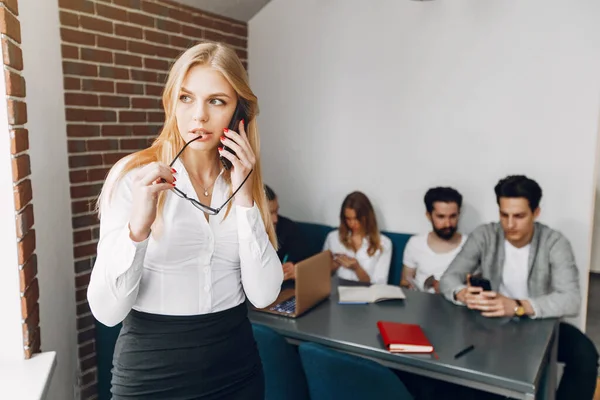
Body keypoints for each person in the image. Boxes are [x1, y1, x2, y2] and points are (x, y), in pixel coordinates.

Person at [87, 42, 283, 399]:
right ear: (172, 103)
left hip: (237, 372)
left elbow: (264, 294)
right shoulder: (133, 176)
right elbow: (107, 311)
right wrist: (137, 231)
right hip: (153, 375)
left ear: (239, 112)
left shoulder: (244, 182)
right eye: (186, 98)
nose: (199, 117)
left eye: (216, 101)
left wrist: (244, 199)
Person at [440, 175, 598, 400]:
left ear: (536, 213)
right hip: (491, 324)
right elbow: (449, 278)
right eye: (504, 215)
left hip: (539, 323)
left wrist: (517, 306)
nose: (510, 224)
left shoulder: (554, 242)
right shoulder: (485, 235)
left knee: (585, 354)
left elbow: (571, 300)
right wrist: (461, 293)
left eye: (519, 216)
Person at [401, 187, 466, 293]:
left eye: (453, 216)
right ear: (428, 215)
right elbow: (405, 281)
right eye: (441, 217)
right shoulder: (415, 243)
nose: (448, 224)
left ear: (459, 214)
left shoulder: (471, 245)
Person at [323, 191, 392, 284]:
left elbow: (379, 285)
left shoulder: (383, 243)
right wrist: (333, 266)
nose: (352, 224)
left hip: (366, 295)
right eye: (348, 219)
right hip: (336, 293)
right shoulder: (333, 237)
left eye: (356, 219)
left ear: (367, 217)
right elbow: (320, 276)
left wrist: (357, 268)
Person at [265, 184, 308, 281]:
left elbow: (304, 262)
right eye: (270, 213)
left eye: (276, 211)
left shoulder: (288, 227)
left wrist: (296, 268)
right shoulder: (241, 235)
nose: (275, 219)